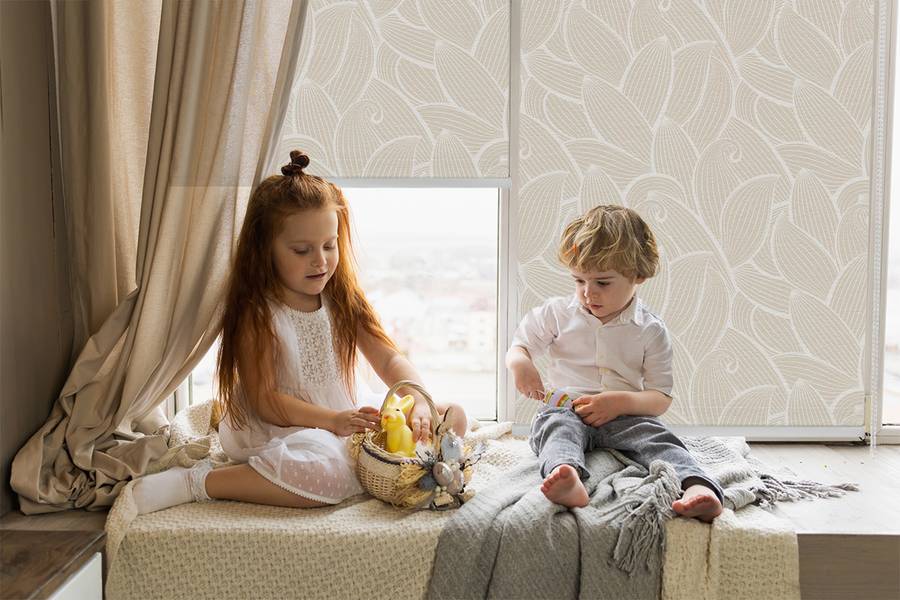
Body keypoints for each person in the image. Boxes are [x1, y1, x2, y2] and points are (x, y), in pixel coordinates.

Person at [132, 150, 467, 514]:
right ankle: (199, 482)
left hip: (345, 416)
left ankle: (403, 465)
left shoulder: (341, 297)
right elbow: (266, 401)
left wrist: (418, 399)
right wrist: (332, 421)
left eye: (329, 245)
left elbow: (388, 359)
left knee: (454, 415)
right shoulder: (259, 312)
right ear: (266, 250)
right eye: (302, 250)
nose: (320, 260)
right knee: (329, 474)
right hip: (287, 426)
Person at [506, 205, 723, 521]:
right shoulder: (557, 314)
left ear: (638, 276)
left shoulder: (649, 329)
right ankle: (567, 476)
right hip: (567, 408)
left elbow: (660, 398)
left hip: (625, 415)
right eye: (579, 281)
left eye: (602, 283)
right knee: (556, 430)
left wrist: (619, 403)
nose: (587, 293)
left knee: (659, 440)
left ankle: (697, 487)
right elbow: (519, 346)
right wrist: (520, 363)